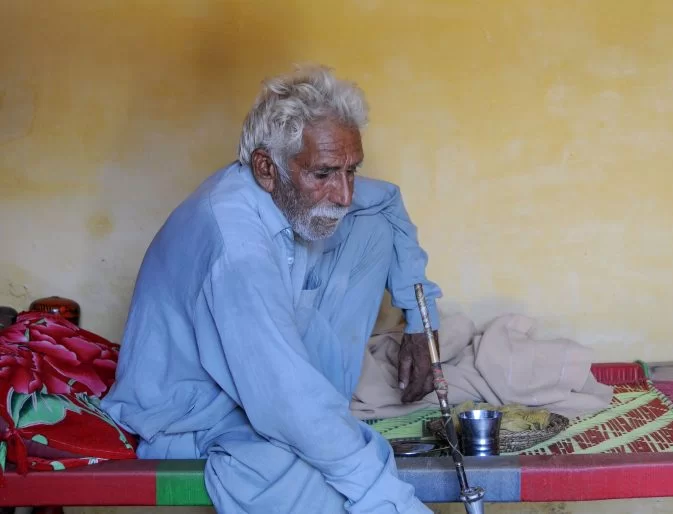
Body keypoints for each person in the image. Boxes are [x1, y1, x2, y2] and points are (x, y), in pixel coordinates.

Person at [101, 65, 443, 514]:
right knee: (312, 478)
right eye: (324, 174)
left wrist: (421, 322)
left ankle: (324, 421)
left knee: (371, 227)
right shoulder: (236, 250)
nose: (343, 193)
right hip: (193, 415)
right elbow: (283, 398)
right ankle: (322, 431)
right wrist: (389, 498)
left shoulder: (300, 187)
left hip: (267, 383)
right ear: (266, 168)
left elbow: (386, 202)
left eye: (351, 171)